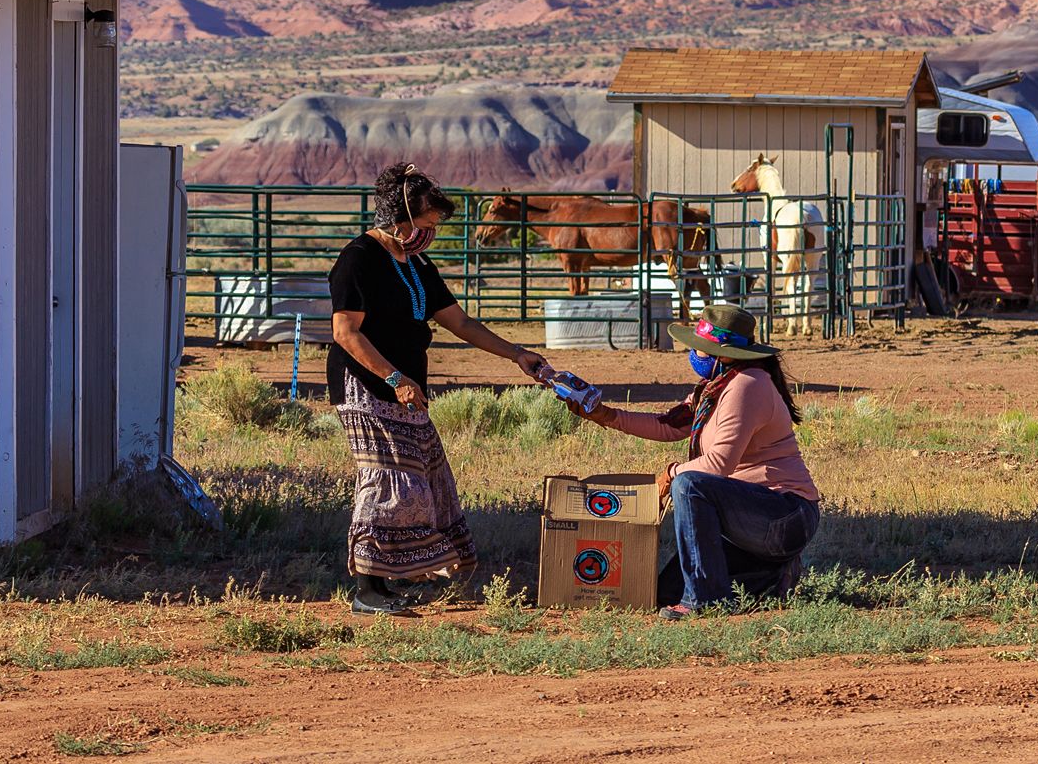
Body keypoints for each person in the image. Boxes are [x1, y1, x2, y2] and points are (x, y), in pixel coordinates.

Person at [328, 162, 549, 616]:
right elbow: (346, 333)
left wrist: (516, 354)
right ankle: (366, 588)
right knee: (388, 477)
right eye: (425, 222)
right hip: (367, 385)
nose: (429, 231)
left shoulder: (418, 265)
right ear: (398, 216)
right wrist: (393, 377)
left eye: (433, 225)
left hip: (407, 385)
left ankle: (386, 580)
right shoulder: (359, 259)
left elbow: (461, 323)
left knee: (420, 475)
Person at [569, 302, 820, 619]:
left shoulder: (747, 386)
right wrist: (606, 415)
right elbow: (668, 424)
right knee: (665, 592)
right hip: (755, 518)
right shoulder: (716, 387)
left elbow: (718, 466)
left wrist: (672, 474)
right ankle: (770, 573)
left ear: (725, 354)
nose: (694, 355)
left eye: (701, 349)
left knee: (689, 485)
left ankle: (706, 601)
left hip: (784, 516)